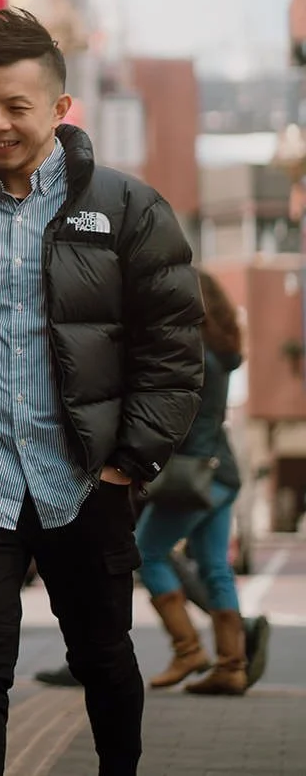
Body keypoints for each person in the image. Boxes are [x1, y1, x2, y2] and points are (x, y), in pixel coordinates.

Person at [0, 8, 204, 776]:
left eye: (16, 107)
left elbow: (175, 348)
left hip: (84, 476)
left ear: (60, 110)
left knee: (103, 654)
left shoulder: (127, 209)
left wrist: (129, 462)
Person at [134, 269, 269, 695]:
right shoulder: (222, 348)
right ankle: (231, 666)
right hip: (222, 471)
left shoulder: (190, 351)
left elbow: (173, 417)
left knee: (146, 550)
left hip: (193, 473)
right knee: (215, 568)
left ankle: (188, 648)